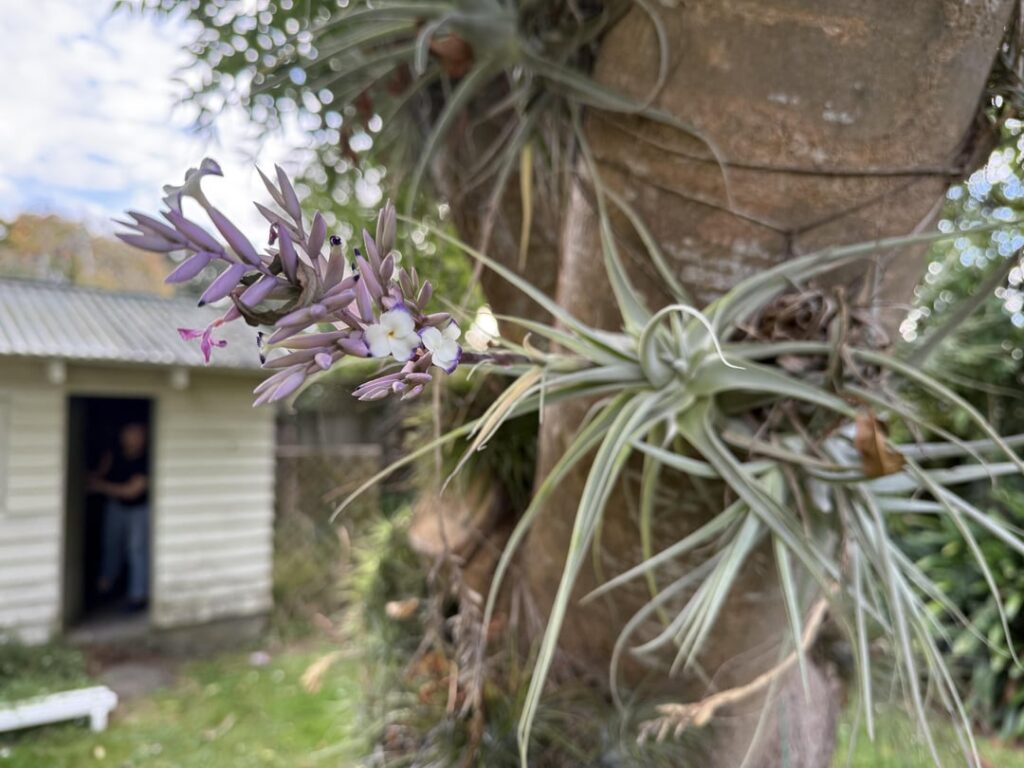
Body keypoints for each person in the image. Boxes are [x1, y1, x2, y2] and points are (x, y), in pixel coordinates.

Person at [88, 422, 150, 612]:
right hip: (115, 508)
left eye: (138, 434)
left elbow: (133, 491)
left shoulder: (148, 459)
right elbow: (98, 474)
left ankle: (137, 596)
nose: (133, 438)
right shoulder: (113, 454)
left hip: (140, 509)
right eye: (129, 433)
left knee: (137, 549)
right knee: (111, 546)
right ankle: (105, 587)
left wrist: (100, 486)